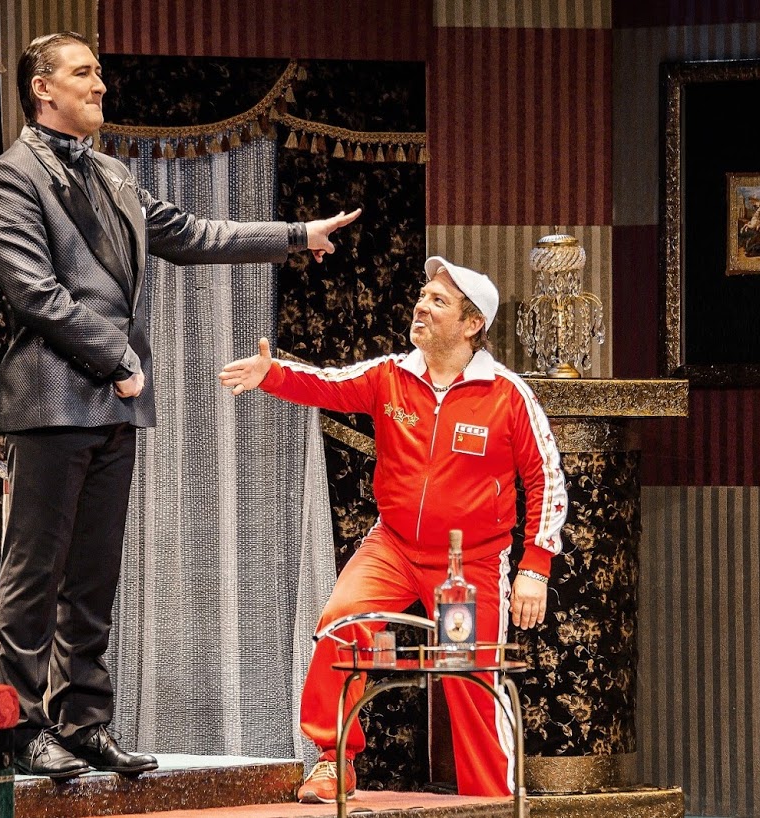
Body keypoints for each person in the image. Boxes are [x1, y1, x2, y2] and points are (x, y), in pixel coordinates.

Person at [0, 31, 360, 779]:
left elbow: (189, 233)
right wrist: (118, 358)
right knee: (34, 574)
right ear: (42, 89)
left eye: (99, 72)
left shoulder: (114, 174)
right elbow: (35, 292)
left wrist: (295, 235)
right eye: (84, 73)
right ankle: (23, 728)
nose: (100, 85)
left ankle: (85, 721)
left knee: (93, 578)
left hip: (114, 407)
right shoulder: (9, 176)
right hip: (53, 399)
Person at [218, 256, 567, 802]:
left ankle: (495, 802)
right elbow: (328, 385)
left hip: (468, 564)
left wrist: (535, 567)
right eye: (423, 295)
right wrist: (273, 374)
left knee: (469, 677)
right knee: (342, 623)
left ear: (472, 324)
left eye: (438, 301)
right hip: (395, 549)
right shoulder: (391, 376)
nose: (421, 306)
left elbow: (546, 478)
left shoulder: (506, 394)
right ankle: (333, 762)